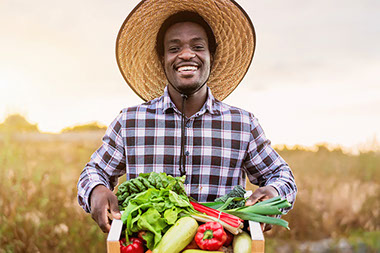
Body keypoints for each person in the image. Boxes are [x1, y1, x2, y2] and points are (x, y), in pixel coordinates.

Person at [77, 0, 297, 234]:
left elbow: (281, 175)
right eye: (174, 48)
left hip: (219, 246)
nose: (186, 54)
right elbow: (94, 171)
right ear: (162, 59)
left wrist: (273, 192)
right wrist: (96, 190)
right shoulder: (130, 122)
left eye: (198, 46)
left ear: (211, 56)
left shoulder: (242, 124)